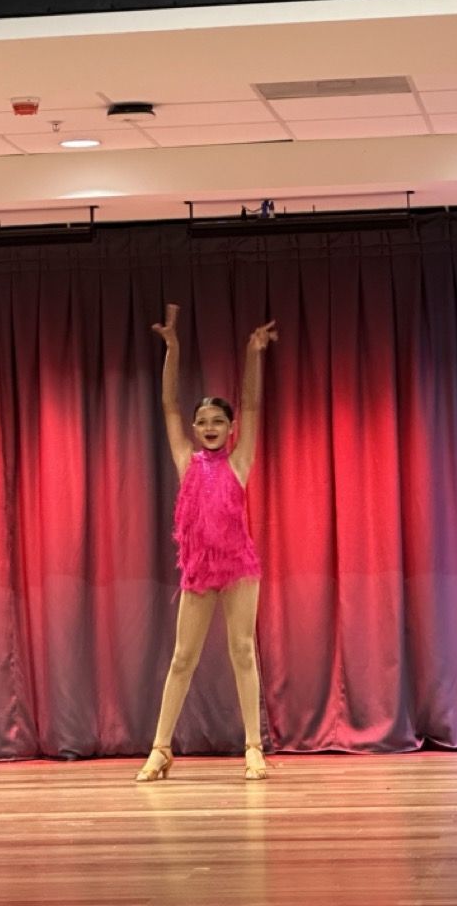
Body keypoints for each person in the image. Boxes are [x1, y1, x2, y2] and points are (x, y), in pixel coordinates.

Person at [136, 303, 277, 782]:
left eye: (219, 420)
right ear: (195, 430)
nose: (211, 427)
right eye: (203, 422)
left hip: (238, 569)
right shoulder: (186, 460)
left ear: (230, 429)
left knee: (243, 651)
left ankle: (253, 747)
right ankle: (160, 749)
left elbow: (252, 405)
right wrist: (172, 348)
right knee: (182, 658)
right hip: (198, 570)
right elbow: (169, 406)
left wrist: (252, 354)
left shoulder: (239, 462)